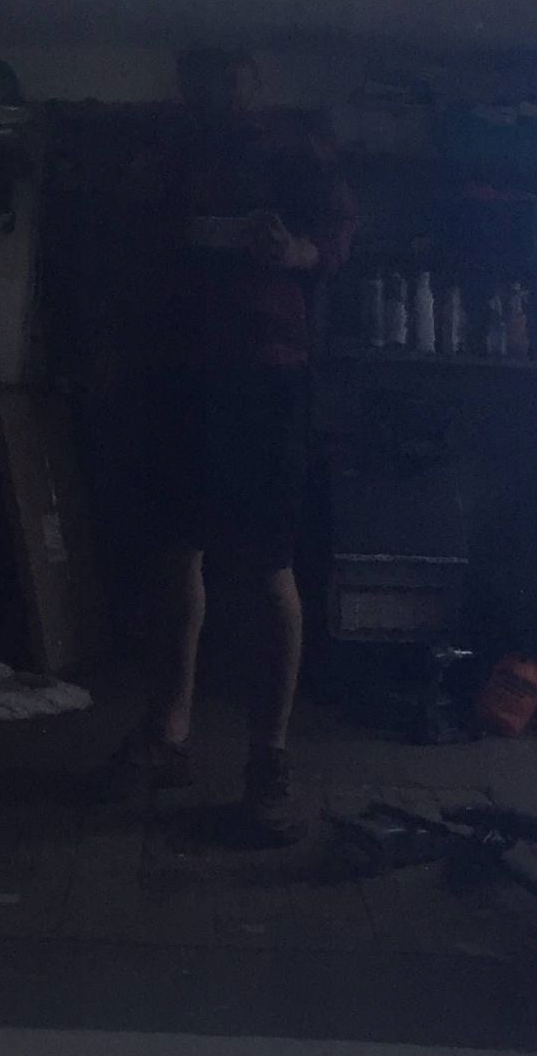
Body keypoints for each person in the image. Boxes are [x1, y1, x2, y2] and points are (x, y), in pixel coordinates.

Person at [94, 48, 354, 843]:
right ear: (188, 85)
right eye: (208, 77)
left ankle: (268, 758)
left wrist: (294, 251)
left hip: (266, 376)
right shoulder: (166, 155)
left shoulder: (296, 151)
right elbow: (129, 238)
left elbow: (337, 234)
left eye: (238, 75)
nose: (225, 90)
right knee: (176, 551)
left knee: (268, 561)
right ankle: (167, 733)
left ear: (258, 81)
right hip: (179, 372)